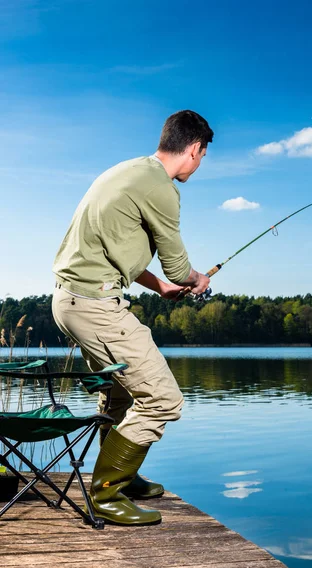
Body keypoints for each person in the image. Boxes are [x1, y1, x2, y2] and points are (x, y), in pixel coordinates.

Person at [52, 110, 213, 525]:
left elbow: (117, 248)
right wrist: (195, 280)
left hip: (70, 300)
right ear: (194, 149)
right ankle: (106, 493)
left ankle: (124, 477)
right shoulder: (161, 189)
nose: (200, 163)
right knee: (163, 399)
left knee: (123, 391)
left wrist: (159, 287)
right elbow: (180, 268)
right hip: (95, 304)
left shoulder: (126, 172)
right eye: (203, 155)